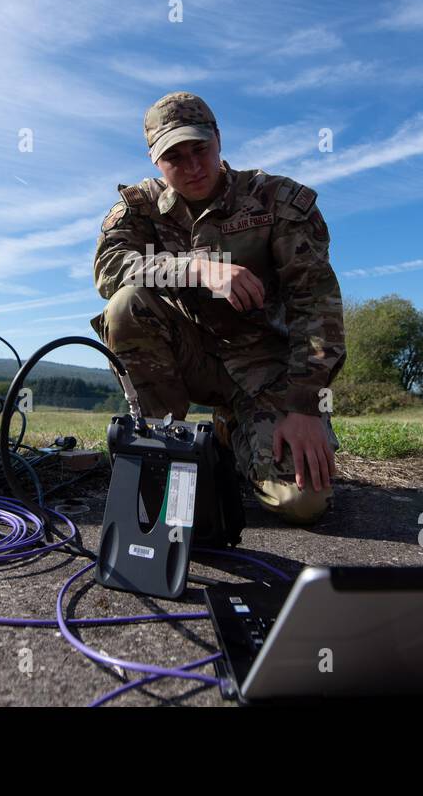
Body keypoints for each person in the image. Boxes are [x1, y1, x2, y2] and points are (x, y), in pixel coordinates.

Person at [90, 91, 346, 525]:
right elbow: (110, 269)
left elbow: (316, 304)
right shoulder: (138, 209)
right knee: (125, 306)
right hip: (187, 359)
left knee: (302, 503)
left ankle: (230, 432)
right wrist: (195, 268)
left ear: (219, 139)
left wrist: (304, 407)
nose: (192, 167)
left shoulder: (276, 201)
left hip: (267, 370)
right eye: (175, 156)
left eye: (200, 149)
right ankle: (162, 445)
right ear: (155, 159)